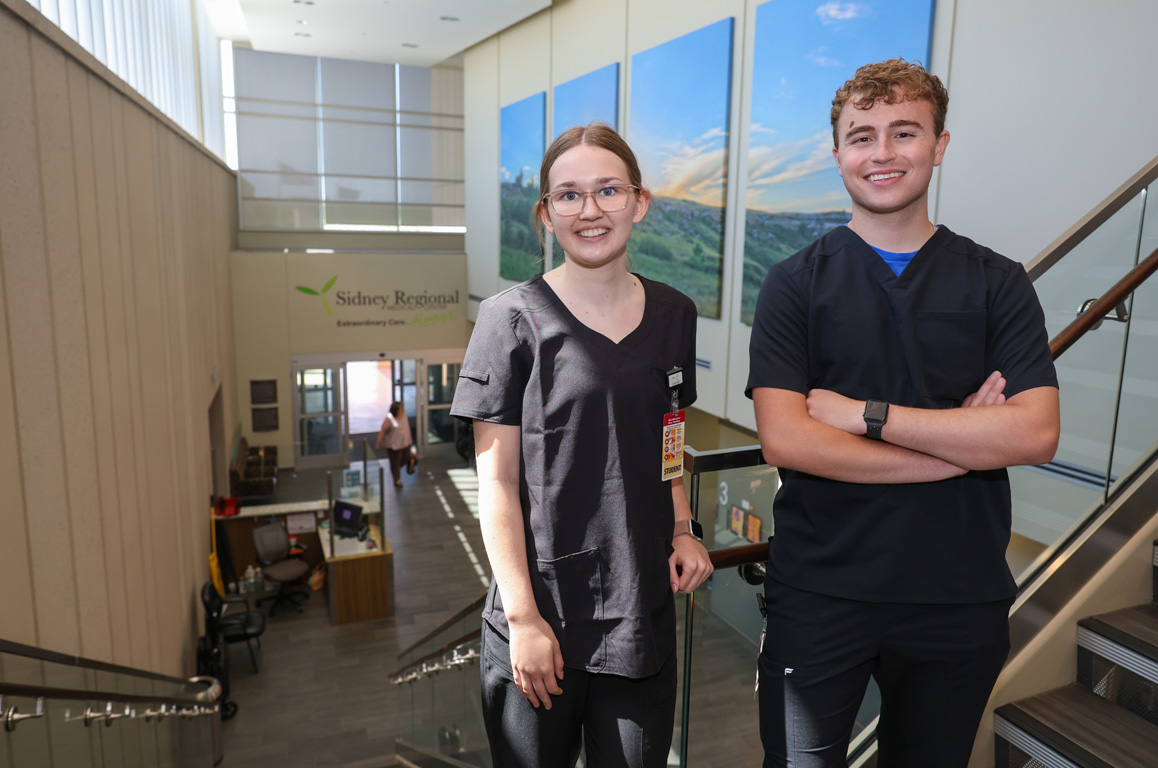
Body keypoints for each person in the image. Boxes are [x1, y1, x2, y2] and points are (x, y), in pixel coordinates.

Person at [746, 59, 1060, 767]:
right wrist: (963, 445)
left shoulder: (997, 282)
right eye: (862, 137)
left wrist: (865, 415)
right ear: (837, 156)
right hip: (820, 595)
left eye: (904, 132)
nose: (881, 154)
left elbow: (1034, 432)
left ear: (939, 145)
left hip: (958, 599)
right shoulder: (795, 284)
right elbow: (787, 440)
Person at [450, 123, 714, 768]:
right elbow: (497, 485)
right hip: (543, 610)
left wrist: (683, 525)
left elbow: (669, 435)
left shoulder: (675, 314)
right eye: (568, 196)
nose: (590, 210)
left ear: (639, 202)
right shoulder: (510, 320)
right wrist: (524, 621)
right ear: (545, 214)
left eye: (608, 190)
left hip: (639, 607)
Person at [375, 401, 413, 489]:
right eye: (401, 408)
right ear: (396, 410)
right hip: (393, 445)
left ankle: (398, 470)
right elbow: (383, 431)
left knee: (406, 457)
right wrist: (378, 443)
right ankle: (396, 479)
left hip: (405, 443)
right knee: (395, 462)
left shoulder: (404, 415)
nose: (402, 410)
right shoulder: (389, 419)